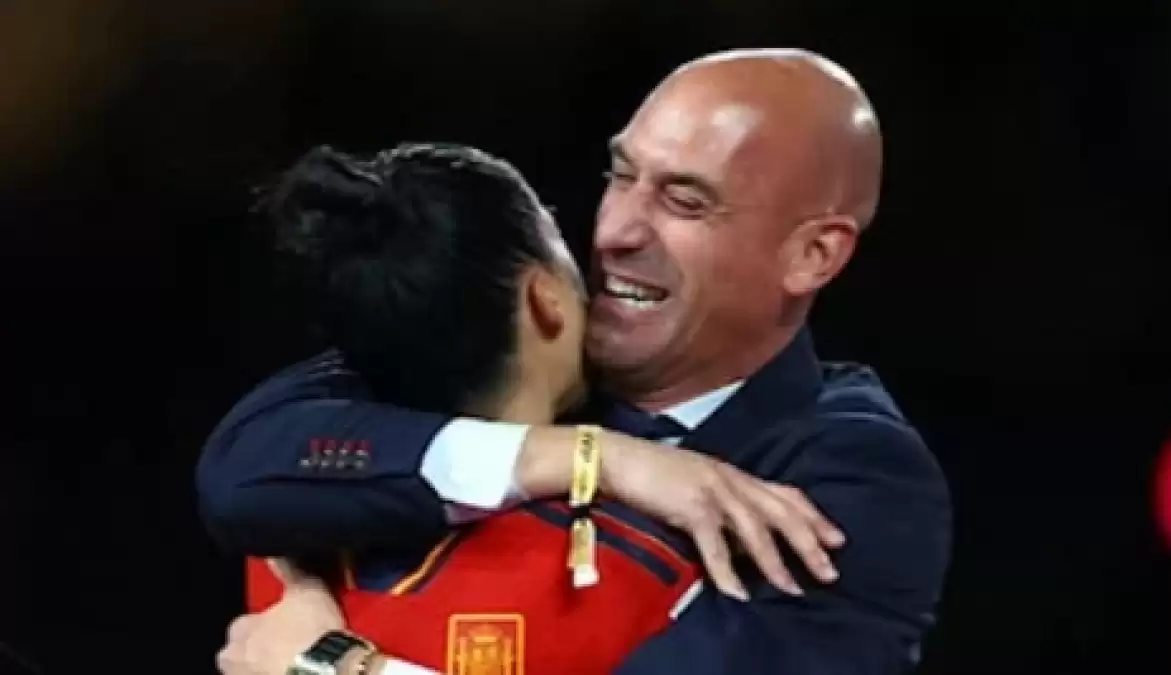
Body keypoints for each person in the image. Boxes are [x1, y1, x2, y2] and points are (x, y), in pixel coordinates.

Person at [206, 48, 951, 675]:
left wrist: (333, 666)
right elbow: (241, 469)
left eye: (684, 201)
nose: (616, 231)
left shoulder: (852, 476)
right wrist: (593, 457)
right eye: (621, 176)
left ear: (811, 253)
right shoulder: (523, 346)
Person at [226, 140, 827, 675]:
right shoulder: (651, 569)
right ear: (545, 299)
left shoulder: (284, 544)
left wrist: (326, 666)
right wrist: (597, 457)